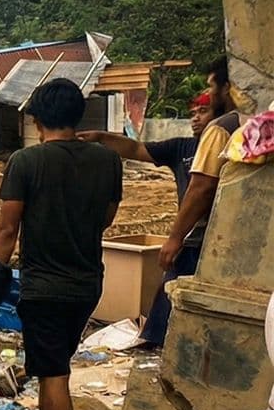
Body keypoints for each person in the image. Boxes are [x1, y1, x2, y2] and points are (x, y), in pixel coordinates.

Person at [0, 78, 123, 410]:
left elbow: (6, 229)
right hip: (87, 283)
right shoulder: (107, 160)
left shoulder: (26, 162)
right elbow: (106, 218)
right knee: (57, 362)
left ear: (36, 119)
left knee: (53, 373)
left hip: (43, 285)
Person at [79, 90, 218, 345]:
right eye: (193, 113)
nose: (196, 119)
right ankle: (158, 344)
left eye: (203, 111)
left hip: (212, 241)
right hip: (190, 238)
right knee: (168, 296)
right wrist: (100, 137)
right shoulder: (182, 148)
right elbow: (136, 148)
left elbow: (202, 189)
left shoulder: (225, 147)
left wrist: (174, 238)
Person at [159, 58, 242, 277]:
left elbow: (202, 187)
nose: (209, 91)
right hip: (236, 238)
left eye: (212, 86)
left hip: (201, 241)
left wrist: (175, 238)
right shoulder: (254, 125)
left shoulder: (220, 129)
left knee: (168, 307)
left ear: (227, 88)